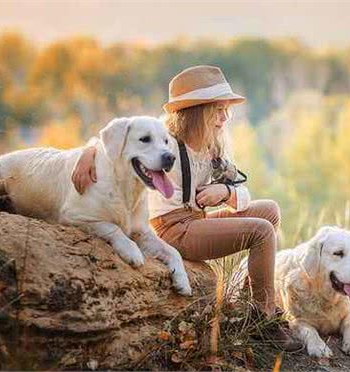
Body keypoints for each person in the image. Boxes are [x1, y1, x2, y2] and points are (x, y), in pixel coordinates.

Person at [72, 65, 297, 348]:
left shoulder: (211, 144)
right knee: (262, 231)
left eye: (226, 110)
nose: (224, 118)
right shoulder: (164, 139)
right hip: (171, 229)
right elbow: (116, 139)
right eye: (218, 110)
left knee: (270, 210)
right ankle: (264, 320)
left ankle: (251, 290)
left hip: (196, 220)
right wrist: (87, 151)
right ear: (196, 111)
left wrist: (224, 191)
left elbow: (243, 191)